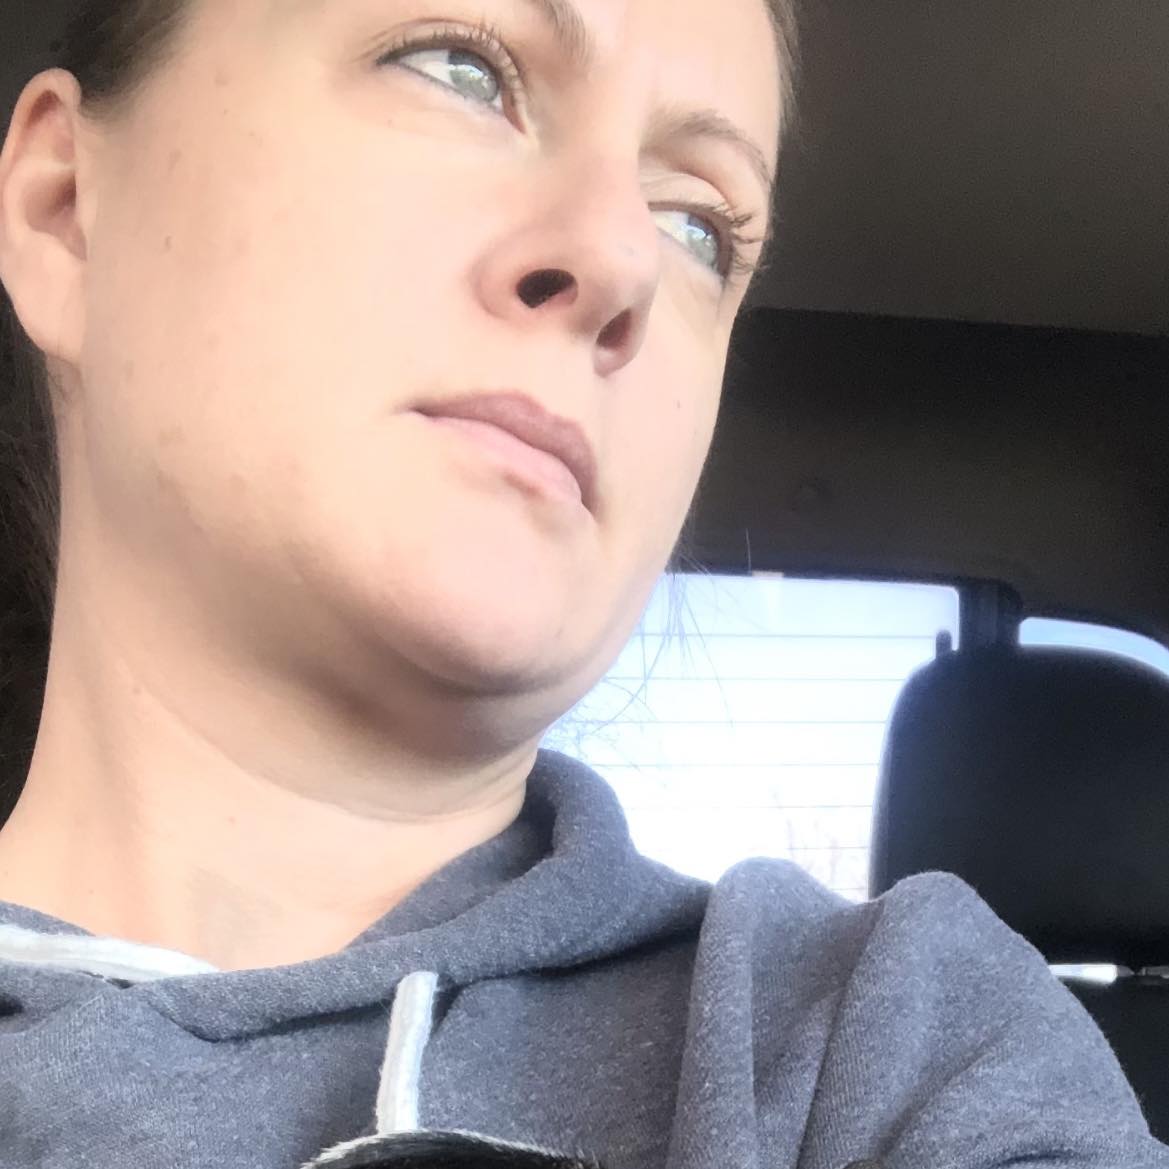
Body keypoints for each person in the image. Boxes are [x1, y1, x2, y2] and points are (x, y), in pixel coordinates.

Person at [0, 1, 1163, 1166]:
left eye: (699, 225)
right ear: (64, 209)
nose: (621, 262)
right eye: (457, 68)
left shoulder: (890, 1039)